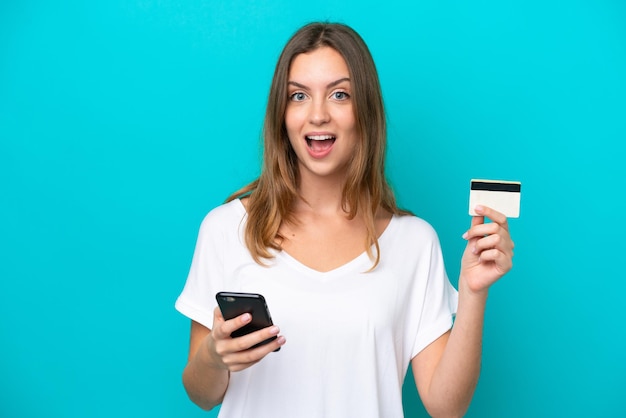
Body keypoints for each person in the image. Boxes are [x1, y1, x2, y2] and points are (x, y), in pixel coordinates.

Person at [175, 22, 514, 418]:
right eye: (298, 96)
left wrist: (473, 292)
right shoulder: (226, 229)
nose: (318, 115)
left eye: (339, 94)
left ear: (364, 110)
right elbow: (201, 395)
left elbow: (446, 406)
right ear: (282, 114)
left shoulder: (414, 242)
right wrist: (216, 356)